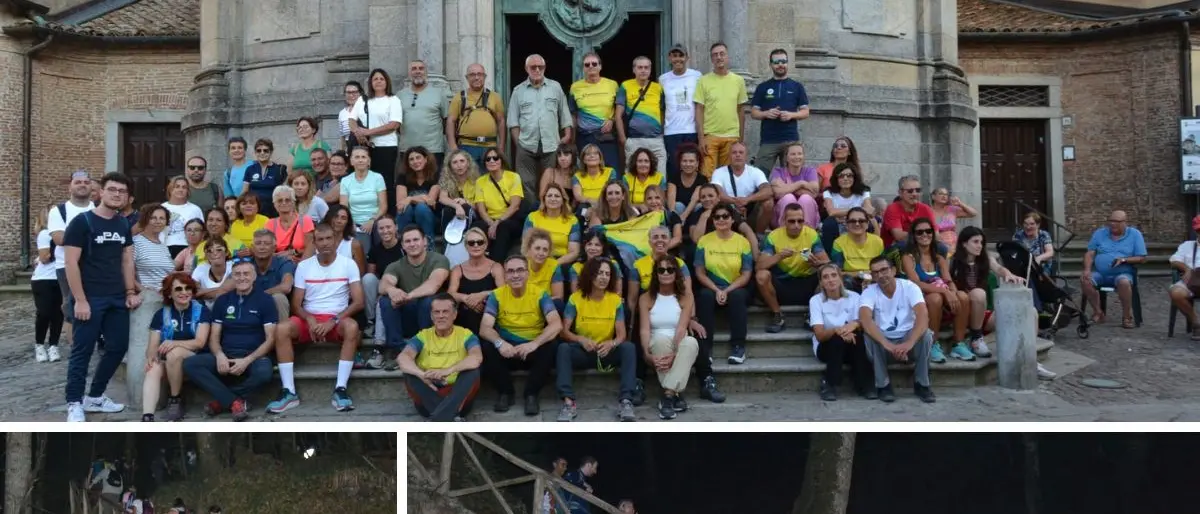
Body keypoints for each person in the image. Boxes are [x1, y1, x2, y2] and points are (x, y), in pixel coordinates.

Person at [63, 172, 139, 422]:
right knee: (82, 351)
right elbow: (70, 263)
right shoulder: (82, 222)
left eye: (122, 191)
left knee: (118, 347)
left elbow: (127, 260)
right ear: (101, 192)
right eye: (112, 189)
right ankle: (74, 402)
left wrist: (130, 291)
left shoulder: (123, 224)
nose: (117, 194)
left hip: (116, 297)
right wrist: (80, 300)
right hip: (90, 297)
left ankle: (95, 396)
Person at [267, 224, 365, 413]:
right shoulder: (304, 266)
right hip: (309, 318)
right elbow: (296, 305)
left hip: (336, 319)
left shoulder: (348, 264)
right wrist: (310, 319)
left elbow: (359, 302)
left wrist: (333, 320)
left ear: (335, 241)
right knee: (282, 328)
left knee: (352, 327)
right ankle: (289, 391)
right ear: (315, 243)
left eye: (329, 238)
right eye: (320, 239)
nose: (325, 243)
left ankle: (340, 389)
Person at [183, 258, 278, 421]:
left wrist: (247, 360)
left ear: (254, 276)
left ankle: (222, 401)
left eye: (246, 273)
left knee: (264, 372)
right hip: (226, 354)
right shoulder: (223, 300)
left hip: (253, 356)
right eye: (237, 274)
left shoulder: (265, 300)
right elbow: (214, 336)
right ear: (232, 277)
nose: (242, 278)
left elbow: (270, 339)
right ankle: (234, 401)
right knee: (190, 364)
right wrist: (219, 355)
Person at [478, 255, 563, 416]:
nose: (515, 275)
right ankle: (505, 393)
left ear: (527, 273)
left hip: (532, 348)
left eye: (520, 270)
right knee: (488, 346)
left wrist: (535, 343)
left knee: (551, 345)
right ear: (505, 275)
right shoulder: (497, 295)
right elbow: (485, 328)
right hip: (507, 349)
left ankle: (531, 394)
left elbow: (556, 324)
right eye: (510, 271)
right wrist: (500, 343)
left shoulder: (540, 294)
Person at [557, 257, 635, 422]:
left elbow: (621, 335)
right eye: (599, 273)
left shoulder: (615, 300)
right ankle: (568, 402)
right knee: (563, 349)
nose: (604, 277)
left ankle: (626, 401)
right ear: (590, 275)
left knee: (628, 348)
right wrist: (580, 339)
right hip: (584, 351)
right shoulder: (576, 298)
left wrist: (612, 343)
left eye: (607, 274)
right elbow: (563, 331)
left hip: (605, 351)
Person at [858, 256, 936, 403]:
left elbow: (923, 315)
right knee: (869, 335)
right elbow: (865, 319)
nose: (880, 275)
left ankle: (922, 384)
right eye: (875, 273)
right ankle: (883, 385)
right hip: (884, 345)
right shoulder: (869, 292)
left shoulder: (910, 287)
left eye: (884, 270)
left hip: (908, 340)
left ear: (893, 270)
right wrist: (888, 345)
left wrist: (909, 343)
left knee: (925, 334)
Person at [396, 293, 483, 422]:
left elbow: (476, 357)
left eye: (445, 311)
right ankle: (450, 417)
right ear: (431, 316)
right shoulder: (423, 336)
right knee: (409, 373)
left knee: (473, 372)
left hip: (457, 396)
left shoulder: (466, 335)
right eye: (436, 312)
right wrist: (422, 375)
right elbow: (403, 357)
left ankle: (437, 419)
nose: (441, 316)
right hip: (429, 394)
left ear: (454, 315)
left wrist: (447, 371)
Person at [142, 272, 211, 422]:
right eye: (178, 289)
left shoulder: (201, 311)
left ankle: (175, 400)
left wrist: (174, 343)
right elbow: (153, 345)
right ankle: (147, 416)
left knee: (174, 353)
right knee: (153, 368)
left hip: (197, 357)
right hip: (171, 363)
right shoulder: (161, 314)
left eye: (188, 288)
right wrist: (151, 356)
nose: (184, 292)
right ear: (169, 293)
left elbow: (200, 342)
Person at [638, 254, 700, 420]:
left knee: (691, 342)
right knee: (659, 341)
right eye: (661, 270)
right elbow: (644, 330)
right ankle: (675, 395)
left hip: (679, 342)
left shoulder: (686, 297)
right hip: (657, 342)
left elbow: (681, 328)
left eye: (670, 270)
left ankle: (668, 395)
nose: (665, 273)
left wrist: (675, 354)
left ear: (676, 273)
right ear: (656, 274)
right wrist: (646, 354)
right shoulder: (645, 298)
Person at [901, 218, 969, 363]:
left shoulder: (939, 258)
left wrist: (953, 292)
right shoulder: (908, 257)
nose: (924, 235)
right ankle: (932, 344)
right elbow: (915, 283)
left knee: (963, 296)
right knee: (935, 298)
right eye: (919, 232)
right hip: (920, 299)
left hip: (940, 297)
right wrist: (945, 292)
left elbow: (948, 280)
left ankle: (959, 344)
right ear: (913, 236)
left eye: (928, 231)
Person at [378, 225, 451, 349]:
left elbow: (433, 285)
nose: (412, 244)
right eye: (407, 241)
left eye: (416, 240)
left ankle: (427, 345)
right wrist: (392, 290)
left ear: (425, 241)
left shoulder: (439, 260)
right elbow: (383, 285)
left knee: (428, 300)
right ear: (402, 245)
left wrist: (406, 297)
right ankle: (396, 348)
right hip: (410, 316)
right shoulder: (395, 265)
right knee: (385, 300)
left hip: (432, 317)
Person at [509, 54, 574, 194]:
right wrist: (519, 143)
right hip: (526, 144)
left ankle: (549, 207)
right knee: (526, 183)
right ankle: (532, 208)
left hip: (551, 144)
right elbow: (513, 121)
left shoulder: (555, 87)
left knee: (551, 182)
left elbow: (564, 112)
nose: (537, 70)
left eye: (541, 67)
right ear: (526, 68)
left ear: (545, 68)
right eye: (533, 67)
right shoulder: (518, 91)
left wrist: (567, 135)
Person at [809, 263, 874, 401]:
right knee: (837, 340)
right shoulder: (815, 301)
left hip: (851, 344)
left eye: (834, 275)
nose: (830, 280)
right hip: (826, 347)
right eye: (825, 277)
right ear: (821, 282)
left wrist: (853, 325)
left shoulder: (854, 297)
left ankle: (864, 384)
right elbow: (820, 335)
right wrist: (838, 330)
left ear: (840, 278)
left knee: (859, 338)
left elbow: (862, 323)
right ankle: (830, 384)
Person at [757, 204, 826, 332]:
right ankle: (778, 315)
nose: (796, 225)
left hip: (806, 284)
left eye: (800, 221)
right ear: (784, 221)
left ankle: (812, 315)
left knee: (827, 271)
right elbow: (759, 266)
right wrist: (778, 256)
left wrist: (816, 263)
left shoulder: (811, 234)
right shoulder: (773, 236)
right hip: (781, 285)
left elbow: (827, 263)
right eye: (792, 221)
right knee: (761, 275)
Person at [350, 68, 404, 214]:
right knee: (366, 181)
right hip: (365, 148)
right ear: (370, 83)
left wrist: (368, 132)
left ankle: (388, 214)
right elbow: (352, 120)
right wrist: (358, 133)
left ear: (387, 82)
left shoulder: (393, 100)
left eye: (381, 79)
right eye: (375, 79)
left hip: (386, 147)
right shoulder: (363, 99)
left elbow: (394, 124)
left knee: (385, 181)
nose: (378, 81)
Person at [1080, 210, 1146, 328]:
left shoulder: (1135, 234)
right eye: (1111, 221)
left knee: (1124, 282)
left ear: (1125, 222)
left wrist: (1124, 260)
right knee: (1085, 280)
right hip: (1101, 274)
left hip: (1123, 273)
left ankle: (1127, 317)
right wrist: (1087, 269)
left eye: (1117, 222)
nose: (1113, 224)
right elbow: (1090, 253)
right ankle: (1098, 312)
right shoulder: (1100, 233)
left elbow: (1141, 258)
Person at [49, 170, 95, 329]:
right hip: (67, 266)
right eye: (78, 182)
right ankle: (75, 343)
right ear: (70, 187)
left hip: (96, 265)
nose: (83, 185)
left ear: (92, 187)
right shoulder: (59, 211)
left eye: (86, 182)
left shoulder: (98, 209)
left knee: (97, 305)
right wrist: (91, 235)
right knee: (72, 309)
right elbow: (59, 239)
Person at [694, 42, 748, 177]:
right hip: (710, 136)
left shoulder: (738, 81)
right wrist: (701, 139)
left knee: (729, 176)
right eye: (715, 55)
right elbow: (699, 110)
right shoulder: (703, 81)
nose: (719, 57)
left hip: (732, 136)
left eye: (722, 54)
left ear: (727, 56)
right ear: (711, 59)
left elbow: (741, 111)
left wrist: (741, 139)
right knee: (706, 176)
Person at [751, 49, 810, 168]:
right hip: (768, 140)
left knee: (792, 174)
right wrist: (766, 113)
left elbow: (805, 112)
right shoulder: (763, 87)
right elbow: (754, 113)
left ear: (787, 63)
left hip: (791, 140)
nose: (780, 65)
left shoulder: (797, 86)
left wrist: (791, 115)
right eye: (776, 62)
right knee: (760, 174)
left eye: (783, 61)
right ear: (771, 64)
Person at [570, 52, 623, 175]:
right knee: (586, 173)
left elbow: (620, 110)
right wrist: (572, 140)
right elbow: (573, 115)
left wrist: (612, 120)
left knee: (611, 172)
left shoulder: (612, 85)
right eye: (587, 64)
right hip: (584, 137)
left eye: (594, 64)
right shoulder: (575, 87)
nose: (591, 66)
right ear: (583, 68)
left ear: (600, 66)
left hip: (606, 136)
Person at [447, 228, 505, 334]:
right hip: (464, 315)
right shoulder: (457, 269)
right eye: (471, 243)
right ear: (466, 246)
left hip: (489, 314)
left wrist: (482, 295)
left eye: (480, 242)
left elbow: (504, 291)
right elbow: (450, 293)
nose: (476, 245)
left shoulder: (496, 267)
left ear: (485, 245)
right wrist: (467, 299)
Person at [447, 63, 507, 165]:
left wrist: (501, 147)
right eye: (472, 74)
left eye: (480, 74)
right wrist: (453, 147)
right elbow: (450, 121)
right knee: (467, 175)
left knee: (489, 175)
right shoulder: (459, 97)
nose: (476, 77)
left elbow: (501, 121)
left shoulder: (495, 97)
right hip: (466, 146)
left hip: (489, 147)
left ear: (485, 77)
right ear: (467, 77)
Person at [473, 147, 524, 261]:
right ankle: (478, 261)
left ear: (501, 160)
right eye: (488, 159)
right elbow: (481, 209)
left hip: (510, 219)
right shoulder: (480, 181)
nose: (492, 161)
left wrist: (497, 222)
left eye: (495, 158)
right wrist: (491, 223)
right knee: (477, 227)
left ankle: (496, 263)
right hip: (489, 219)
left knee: (502, 227)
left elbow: (515, 206)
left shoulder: (513, 177)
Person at [710, 142, 773, 232]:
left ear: (746, 156)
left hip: (749, 211)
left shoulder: (755, 172)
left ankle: (759, 235)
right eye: (734, 152)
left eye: (741, 152)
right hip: (727, 211)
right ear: (729, 156)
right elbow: (718, 194)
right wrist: (735, 202)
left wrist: (747, 200)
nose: (738, 155)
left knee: (768, 202)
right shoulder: (719, 172)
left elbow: (768, 191)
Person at [659, 44, 701, 180]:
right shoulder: (663, 79)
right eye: (674, 56)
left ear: (687, 57)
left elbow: (701, 105)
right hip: (671, 131)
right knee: (674, 167)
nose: (678, 59)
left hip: (691, 130)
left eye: (681, 56)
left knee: (692, 167)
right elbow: (661, 107)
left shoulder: (697, 76)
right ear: (669, 58)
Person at [618, 56, 667, 172]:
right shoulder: (625, 86)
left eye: (646, 67)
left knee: (660, 176)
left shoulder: (658, 88)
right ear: (634, 69)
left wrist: (662, 134)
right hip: (634, 140)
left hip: (656, 140)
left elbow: (662, 112)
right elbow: (618, 115)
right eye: (640, 67)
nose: (643, 70)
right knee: (632, 177)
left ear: (650, 70)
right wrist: (623, 139)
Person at [398, 60, 450, 167]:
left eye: (421, 69)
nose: (418, 71)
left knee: (434, 177)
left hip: (433, 149)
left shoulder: (439, 93)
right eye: (414, 69)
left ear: (426, 72)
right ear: (409, 73)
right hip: (407, 149)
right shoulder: (400, 95)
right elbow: (396, 122)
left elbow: (447, 120)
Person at [363, 216, 406, 341]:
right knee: (368, 278)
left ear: (396, 227)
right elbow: (372, 274)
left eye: (388, 227)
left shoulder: (404, 247)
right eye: (381, 228)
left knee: (383, 300)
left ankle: (380, 342)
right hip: (382, 285)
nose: (385, 231)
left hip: (400, 285)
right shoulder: (375, 249)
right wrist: (381, 291)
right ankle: (371, 320)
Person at [339, 146, 388, 253]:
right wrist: (350, 223)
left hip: (375, 220)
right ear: (351, 161)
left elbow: (383, 206)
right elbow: (344, 207)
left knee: (380, 231)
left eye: (363, 157)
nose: (360, 160)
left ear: (368, 161)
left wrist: (372, 220)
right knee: (363, 250)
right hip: (355, 223)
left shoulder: (377, 178)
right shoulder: (345, 181)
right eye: (357, 157)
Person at [33, 204, 63, 362]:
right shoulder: (45, 234)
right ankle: (39, 345)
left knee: (58, 314)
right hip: (43, 279)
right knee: (44, 313)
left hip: (60, 277)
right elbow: (45, 258)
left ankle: (53, 346)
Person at [820, 163, 873, 252]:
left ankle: (867, 253)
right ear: (836, 179)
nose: (845, 178)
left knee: (870, 223)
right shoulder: (829, 192)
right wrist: (858, 211)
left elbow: (869, 210)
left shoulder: (863, 191)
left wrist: (844, 216)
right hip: (836, 224)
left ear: (854, 178)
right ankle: (830, 256)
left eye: (849, 175)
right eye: (841, 176)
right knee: (829, 223)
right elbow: (831, 212)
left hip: (856, 222)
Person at [831, 207, 884, 292]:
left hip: (874, 279)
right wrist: (860, 274)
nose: (857, 224)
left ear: (867, 224)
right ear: (847, 224)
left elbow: (883, 267)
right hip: (850, 281)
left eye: (861, 221)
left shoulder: (877, 241)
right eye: (852, 221)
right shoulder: (839, 243)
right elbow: (836, 272)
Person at [525, 183, 581, 264]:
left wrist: (553, 265)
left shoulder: (572, 220)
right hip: (537, 260)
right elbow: (526, 246)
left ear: (563, 200)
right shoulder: (532, 217)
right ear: (544, 199)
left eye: (557, 196)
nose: (553, 199)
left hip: (561, 261)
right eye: (549, 196)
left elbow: (574, 252)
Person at [769, 142, 820, 229]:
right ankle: (784, 230)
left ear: (803, 156)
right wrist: (801, 184)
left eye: (799, 154)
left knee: (806, 199)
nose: (797, 157)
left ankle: (807, 231)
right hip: (781, 214)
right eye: (793, 154)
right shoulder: (778, 172)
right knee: (788, 198)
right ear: (786, 158)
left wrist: (786, 187)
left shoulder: (810, 171)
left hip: (807, 212)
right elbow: (777, 193)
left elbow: (814, 191)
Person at [249, 229, 296, 319]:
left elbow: (286, 287)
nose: (262, 247)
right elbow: (226, 287)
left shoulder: (283, 262)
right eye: (258, 243)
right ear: (252, 248)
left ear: (274, 248)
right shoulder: (246, 264)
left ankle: (282, 328)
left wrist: (259, 296)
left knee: (279, 297)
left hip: (275, 307)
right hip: (251, 307)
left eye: (267, 244)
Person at [396, 146, 441, 240]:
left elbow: (430, 202)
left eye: (418, 157)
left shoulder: (435, 175)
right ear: (408, 163)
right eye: (411, 159)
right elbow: (400, 204)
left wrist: (410, 199)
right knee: (405, 209)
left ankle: (428, 242)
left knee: (421, 208)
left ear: (426, 159)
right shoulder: (402, 177)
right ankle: (403, 242)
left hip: (429, 217)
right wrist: (423, 197)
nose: (415, 161)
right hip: (407, 216)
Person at [882, 175, 935, 249]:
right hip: (895, 249)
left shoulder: (926, 209)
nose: (915, 194)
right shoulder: (892, 208)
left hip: (922, 245)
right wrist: (923, 234)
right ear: (900, 193)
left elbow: (935, 233)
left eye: (918, 190)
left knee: (942, 248)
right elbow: (899, 236)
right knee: (903, 245)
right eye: (910, 191)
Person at [265, 185, 316, 263]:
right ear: (274, 204)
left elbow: (311, 248)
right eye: (280, 200)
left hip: (301, 262)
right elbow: (266, 251)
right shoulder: (270, 224)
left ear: (293, 202)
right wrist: (283, 258)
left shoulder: (305, 221)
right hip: (278, 263)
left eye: (287, 200)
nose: (284, 203)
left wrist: (293, 253)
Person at [1168, 216, 1200, 340]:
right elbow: (1173, 261)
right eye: (1199, 230)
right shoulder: (1187, 246)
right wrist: (1187, 269)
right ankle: (1196, 322)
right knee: (1176, 292)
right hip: (1192, 282)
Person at [242, 138, 289, 218]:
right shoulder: (250, 169)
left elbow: (284, 193)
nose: (262, 153)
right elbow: (244, 192)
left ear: (271, 152)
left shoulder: (279, 169)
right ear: (255, 152)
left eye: (265, 150)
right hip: (254, 212)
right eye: (259, 150)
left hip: (273, 212)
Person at [569, 229, 625, 294]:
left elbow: (618, 292)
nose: (592, 248)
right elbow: (575, 294)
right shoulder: (575, 267)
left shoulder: (613, 264)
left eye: (597, 245)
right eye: (589, 244)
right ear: (584, 246)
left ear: (603, 247)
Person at [523, 228, 566, 309]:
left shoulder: (553, 265)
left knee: (558, 304)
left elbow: (558, 297)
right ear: (529, 249)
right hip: (525, 305)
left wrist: (538, 303)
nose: (541, 253)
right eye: (537, 248)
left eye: (545, 250)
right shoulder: (521, 265)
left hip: (545, 306)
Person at [438, 149, 481, 224]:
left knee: (466, 207)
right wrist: (457, 206)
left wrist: (465, 202)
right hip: (455, 213)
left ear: (468, 163)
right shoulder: (447, 179)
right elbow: (442, 198)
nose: (459, 165)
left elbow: (480, 207)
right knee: (448, 209)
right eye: (455, 162)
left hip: (473, 214)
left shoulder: (477, 180)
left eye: (462, 161)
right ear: (450, 166)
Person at [929, 187, 977, 254]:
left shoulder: (952, 209)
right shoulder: (928, 211)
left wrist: (960, 204)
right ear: (933, 196)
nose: (944, 196)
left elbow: (973, 213)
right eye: (941, 194)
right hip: (937, 245)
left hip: (954, 244)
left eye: (946, 194)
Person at [323, 204, 368, 275]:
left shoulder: (354, 245)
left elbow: (360, 274)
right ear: (329, 218)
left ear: (347, 223)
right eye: (335, 216)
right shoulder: (317, 241)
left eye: (343, 218)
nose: (339, 221)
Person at [572, 144, 617, 214]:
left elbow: (612, 191)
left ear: (600, 158)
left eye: (595, 153)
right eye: (588, 154)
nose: (592, 156)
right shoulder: (577, 176)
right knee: (582, 209)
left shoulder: (610, 172)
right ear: (583, 160)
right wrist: (591, 201)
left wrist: (599, 203)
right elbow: (578, 196)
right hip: (587, 206)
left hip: (606, 204)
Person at [191, 237, 232, 310]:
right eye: (209, 251)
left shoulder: (234, 267)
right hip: (206, 311)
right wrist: (225, 290)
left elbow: (225, 291)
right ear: (206, 255)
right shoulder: (200, 269)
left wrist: (202, 292)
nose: (215, 253)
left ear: (226, 253)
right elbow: (193, 293)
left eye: (219, 249)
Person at [623, 148, 669, 212]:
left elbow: (662, 202)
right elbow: (625, 203)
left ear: (651, 163)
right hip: (634, 212)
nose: (643, 164)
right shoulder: (627, 178)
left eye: (646, 161)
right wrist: (639, 206)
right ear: (635, 163)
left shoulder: (659, 178)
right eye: (640, 161)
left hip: (654, 211)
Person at [1014, 212, 1056, 276]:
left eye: (1032, 224)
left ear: (1038, 225)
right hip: (1023, 266)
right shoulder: (1018, 235)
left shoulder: (1043, 235)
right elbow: (1014, 251)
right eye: (1025, 223)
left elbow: (1050, 252)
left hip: (1042, 267)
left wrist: (1038, 258)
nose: (1028, 227)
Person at [670, 144, 707, 216]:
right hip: (678, 213)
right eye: (684, 161)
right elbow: (671, 203)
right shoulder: (674, 177)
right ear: (680, 163)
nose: (688, 164)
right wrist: (674, 218)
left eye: (691, 161)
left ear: (697, 163)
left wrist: (683, 217)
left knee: (699, 206)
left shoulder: (702, 179)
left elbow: (694, 200)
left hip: (694, 213)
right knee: (678, 205)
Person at [338, 80, 364, 150]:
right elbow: (342, 137)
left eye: (354, 92)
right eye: (348, 92)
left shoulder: (366, 109)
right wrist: (342, 152)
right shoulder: (342, 113)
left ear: (360, 93)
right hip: (349, 149)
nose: (351, 95)